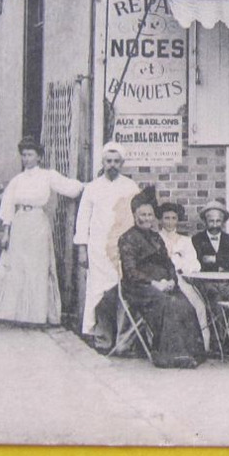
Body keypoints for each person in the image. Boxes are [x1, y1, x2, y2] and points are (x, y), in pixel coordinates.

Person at [0, 138, 83, 326]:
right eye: (24, 155)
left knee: (37, 266)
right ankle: (13, 313)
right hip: (20, 223)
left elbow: (71, 188)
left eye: (30, 155)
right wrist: (6, 232)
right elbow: (7, 206)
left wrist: (88, 186)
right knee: (17, 266)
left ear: (39, 157)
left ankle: (35, 315)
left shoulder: (47, 175)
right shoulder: (17, 180)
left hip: (38, 224)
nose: (26, 159)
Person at [98, 199, 204, 368]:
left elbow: (168, 263)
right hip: (138, 287)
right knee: (167, 304)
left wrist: (171, 280)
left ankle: (190, 352)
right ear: (134, 216)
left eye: (149, 215)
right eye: (143, 215)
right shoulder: (128, 238)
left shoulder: (156, 237)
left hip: (163, 283)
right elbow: (130, 272)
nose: (147, 218)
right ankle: (169, 356)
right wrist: (154, 283)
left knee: (185, 304)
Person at [73, 142, 142, 347]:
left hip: (123, 249)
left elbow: (138, 217)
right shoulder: (92, 188)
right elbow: (83, 219)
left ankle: (123, 339)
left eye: (116, 162)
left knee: (123, 291)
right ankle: (99, 336)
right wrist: (82, 249)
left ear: (122, 164)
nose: (112, 165)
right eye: (108, 161)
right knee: (98, 290)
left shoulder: (130, 187)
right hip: (98, 249)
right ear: (103, 163)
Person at [157, 201, 212, 353]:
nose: (170, 222)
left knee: (198, 306)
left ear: (178, 220)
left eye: (173, 218)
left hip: (182, 279)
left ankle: (201, 347)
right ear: (160, 220)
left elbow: (194, 264)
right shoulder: (155, 239)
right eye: (166, 218)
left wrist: (182, 265)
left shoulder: (185, 241)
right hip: (163, 280)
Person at [192, 202, 229, 273]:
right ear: (205, 222)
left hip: (226, 281)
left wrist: (215, 259)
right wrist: (223, 262)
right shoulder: (197, 239)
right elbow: (197, 262)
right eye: (211, 221)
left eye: (218, 221)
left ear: (223, 222)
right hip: (204, 281)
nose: (215, 225)